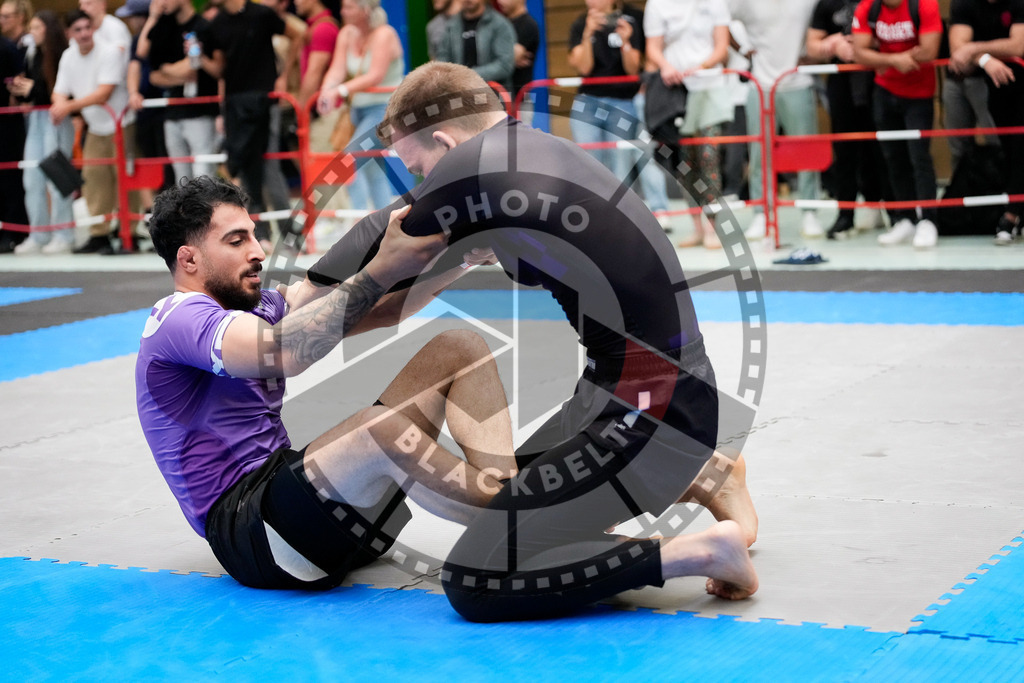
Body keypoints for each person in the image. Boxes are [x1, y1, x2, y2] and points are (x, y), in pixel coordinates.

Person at [292, 62, 759, 622]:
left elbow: (380, 232)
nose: (417, 184)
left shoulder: (472, 167)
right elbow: (405, 301)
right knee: (500, 495)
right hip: (634, 390)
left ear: (445, 141)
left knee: (476, 581)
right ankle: (709, 473)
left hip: (649, 409)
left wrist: (302, 293)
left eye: (416, 167)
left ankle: (694, 553)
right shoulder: (528, 153)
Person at [137, 174, 518, 590]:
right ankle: (537, 520)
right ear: (189, 260)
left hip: (311, 512)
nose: (258, 251)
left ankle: (505, 501)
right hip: (257, 534)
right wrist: (384, 265)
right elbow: (284, 353)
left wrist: (461, 255)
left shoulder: (257, 307)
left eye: (254, 236)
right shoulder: (178, 318)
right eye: (236, 241)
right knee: (381, 431)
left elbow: (379, 309)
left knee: (458, 348)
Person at [204, 0, 303, 248]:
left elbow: (299, 34)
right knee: (245, 166)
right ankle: (259, 233)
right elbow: (220, 69)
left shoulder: (262, 14)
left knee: (268, 165)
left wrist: (283, 75)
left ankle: (288, 232)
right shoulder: (217, 23)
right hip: (236, 105)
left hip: (264, 100)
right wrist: (197, 58)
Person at [567, 0, 672, 230]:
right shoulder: (580, 23)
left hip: (624, 101)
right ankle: (594, 216)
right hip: (588, 102)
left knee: (621, 163)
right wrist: (587, 34)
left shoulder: (632, 19)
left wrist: (625, 41)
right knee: (588, 162)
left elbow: (634, 68)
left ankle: (624, 217)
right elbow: (583, 68)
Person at [728, 0, 825, 240]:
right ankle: (762, 213)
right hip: (760, 86)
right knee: (759, 154)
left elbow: (827, 18)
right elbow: (718, 19)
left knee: (806, 152)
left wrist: (815, 56)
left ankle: (809, 212)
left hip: (797, 82)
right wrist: (742, 49)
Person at [852, 0, 943, 248]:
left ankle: (928, 219)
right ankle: (905, 218)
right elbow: (859, 52)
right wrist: (895, 60)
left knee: (919, 157)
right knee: (893, 157)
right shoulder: (867, 8)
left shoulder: (924, 5)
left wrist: (881, 58)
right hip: (884, 91)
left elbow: (929, 50)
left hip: (919, 94)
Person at [645, 0, 733, 249]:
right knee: (683, 163)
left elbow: (722, 46)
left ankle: (712, 228)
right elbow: (653, 47)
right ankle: (696, 227)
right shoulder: (657, 5)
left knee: (709, 156)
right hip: (675, 92)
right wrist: (666, 67)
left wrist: (701, 67)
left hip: (710, 87)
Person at [51, 9, 139, 254]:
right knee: (93, 181)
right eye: (78, 30)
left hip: (122, 123)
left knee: (123, 177)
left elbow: (104, 93)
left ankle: (127, 234)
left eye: (88, 28)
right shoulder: (68, 56)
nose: (85, 34)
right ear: (69, 33)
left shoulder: (108, 51)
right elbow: (59, 90)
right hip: (96, 126)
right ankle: (99, 234)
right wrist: (59, 104)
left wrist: (67, 106)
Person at [807, 0, 889, 239]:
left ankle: (894, 211)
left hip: (879, 77)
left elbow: (901, 33)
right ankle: (846, 214)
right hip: (841, 80)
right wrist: (831, 45)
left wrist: (869, 45)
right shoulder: (827, 4)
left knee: (882, 147)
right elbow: (812, 45)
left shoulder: (879, 3)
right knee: (844, 150)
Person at [947, 0, 1024, 246]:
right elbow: (958, 48)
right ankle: (1013, 215)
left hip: (1019, 82)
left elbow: (1019, 44)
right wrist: (984, 59)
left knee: (1021, 150)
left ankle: (1010, 217)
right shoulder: (963, 4)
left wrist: (974, 50)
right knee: (1010, 153)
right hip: (998, 86)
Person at [317, 0, 405, 215]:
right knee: (374, 168)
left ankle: (358, 222)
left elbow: (376, 75)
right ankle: (386, 223)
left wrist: (340, 91)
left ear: (365, 10)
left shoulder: (385, 33)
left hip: (384, 110)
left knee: (348, 162)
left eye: (349, 7)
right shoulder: (346, 33)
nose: (342, 11)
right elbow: (336, 71)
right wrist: (326, 90)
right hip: (358, 110)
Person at [8, 10, 76, 255]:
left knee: (56, 176)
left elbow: (58, 89)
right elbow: (34, 89)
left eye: (38, 28)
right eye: (32, 27)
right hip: (36, 117)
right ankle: (39, 233)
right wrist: (23, 88)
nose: (33, 32)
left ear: (48, 30)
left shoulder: (60, 54)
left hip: (54, 117)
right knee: (32, 178)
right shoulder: (31, 53)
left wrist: (33, 88)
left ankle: (64, 233)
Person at [135, 0, 219, 182]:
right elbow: (148, 64)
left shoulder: (202, 26)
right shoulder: (165, 26)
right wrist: (153, 17)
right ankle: (187, 211)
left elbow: (191, 67)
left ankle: (204, 210)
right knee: (181, 177)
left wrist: (167, 70)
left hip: (200, 111)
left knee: (203, 174)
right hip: (173, 111)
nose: (161, 2)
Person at [434, 0, 516, 95]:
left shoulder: (500, 24)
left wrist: (467, 75)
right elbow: (442, 60)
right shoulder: (451, 26)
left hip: (493, 96)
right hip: (460, 97)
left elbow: (504, 66)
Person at [496, 0, 540, 101]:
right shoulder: (499, 23)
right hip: (499, 97)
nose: (500, 1)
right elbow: (506, 58)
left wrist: (503, 59)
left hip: (519, 99)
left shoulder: (528, 24)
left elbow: (507, 58)